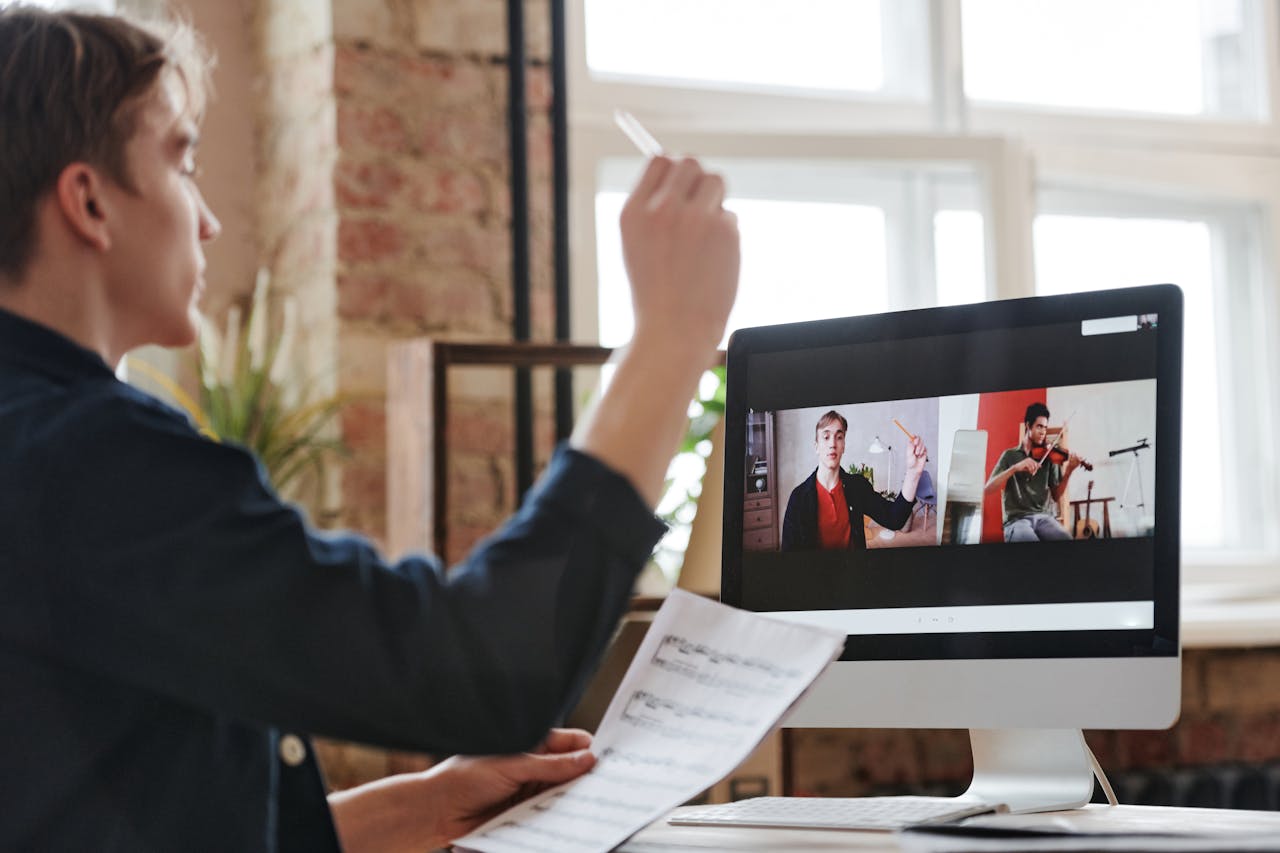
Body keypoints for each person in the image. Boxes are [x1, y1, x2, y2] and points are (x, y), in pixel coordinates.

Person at [0, 6, 739, 851]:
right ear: (89, 201)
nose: (207, 219)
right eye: (182, 162)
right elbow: (492, 671)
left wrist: (414, 811)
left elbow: (88, 809)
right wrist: (672, 335)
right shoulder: (93, 464)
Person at [780, 410, 927, 551]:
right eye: (826, 437)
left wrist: (913, 472)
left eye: (839, 437)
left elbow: (894, 518)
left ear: (843, 445)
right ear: (816, 447)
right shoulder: (798, 498)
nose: (833, 444)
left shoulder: (857, 486)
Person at [984, 402, 1084, 542]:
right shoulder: (1010, 455)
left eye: (1045, 427)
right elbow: (987, 489)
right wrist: (1014, 468)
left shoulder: (1049, 456)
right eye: (1039, 426)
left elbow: (1056, 496)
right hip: (1017, 520)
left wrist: (1068, 472)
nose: (1043, 432)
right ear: (1027, 425)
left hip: (1044, 518)